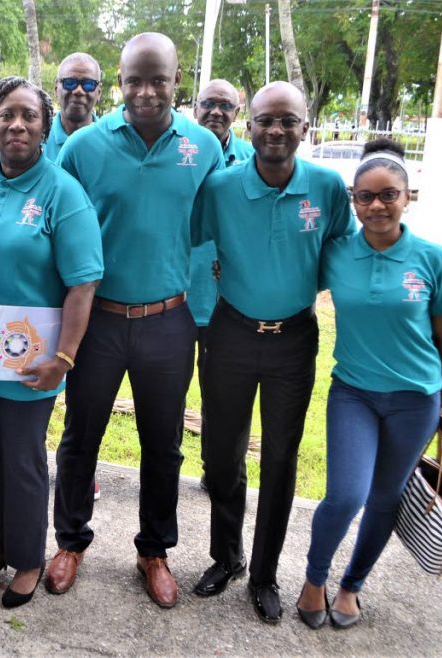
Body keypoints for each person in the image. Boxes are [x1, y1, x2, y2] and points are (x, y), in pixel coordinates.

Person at [46, 33, 223, 608]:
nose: (146, 92)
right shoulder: (84, 148)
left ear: (179, 80)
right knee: (81, 436)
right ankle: (70, 541)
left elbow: (207, 230)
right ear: (118, 82)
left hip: (169, 322)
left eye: (159, 80)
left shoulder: (204, 147)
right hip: (97, 320)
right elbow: (54, 220)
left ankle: (154, 550)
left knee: (163, 445)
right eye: (134, 81)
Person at [190, 81, 354, 623]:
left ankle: (263, 573)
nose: (276, 130)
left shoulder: (328, 188)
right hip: (231, 332)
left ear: (305, 127)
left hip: (293, 340)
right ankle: (227, 557)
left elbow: (342, 254)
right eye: (265, 120)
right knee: (221, 454)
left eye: (288, 120)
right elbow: (192, 244)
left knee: (280, 460)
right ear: (248, 126)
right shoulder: (219, 187)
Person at [0, 76, 102, 609]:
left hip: (31, 358)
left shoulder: (62, 192)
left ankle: (29, 558)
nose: (17, 125)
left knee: (22, 460)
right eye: (6, 114)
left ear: (45, 127)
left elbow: (83, 282)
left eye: (29, 116)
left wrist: (64, 358)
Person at [296, 138, 442, 630]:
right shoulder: (336, 254)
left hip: (416, 400)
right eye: (365, 196)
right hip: (353, 392)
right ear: (353, 201)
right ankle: (314, 578)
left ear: (407, 198)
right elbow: (291, 275)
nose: (376, 205)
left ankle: (352, 585)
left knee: (386, 495)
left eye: (388, 194)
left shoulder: (434, 260)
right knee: (346, 494)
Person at [190, 79, 255, 489]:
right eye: (208, 104)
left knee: (227, 401)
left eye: (225, 105)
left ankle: (222, 477)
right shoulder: (183, 152)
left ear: (237, 112)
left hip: (231, 306)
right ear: (195, 106)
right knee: (164, 403)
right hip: (179, 296)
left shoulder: (251, 160)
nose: (216, 111)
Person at [45, 52, 102, 162]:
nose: (78, 91)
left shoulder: (110, 142)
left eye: (88, 84)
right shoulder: (37, 139)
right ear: (56, 88)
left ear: (99, 92)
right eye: (69, 82)